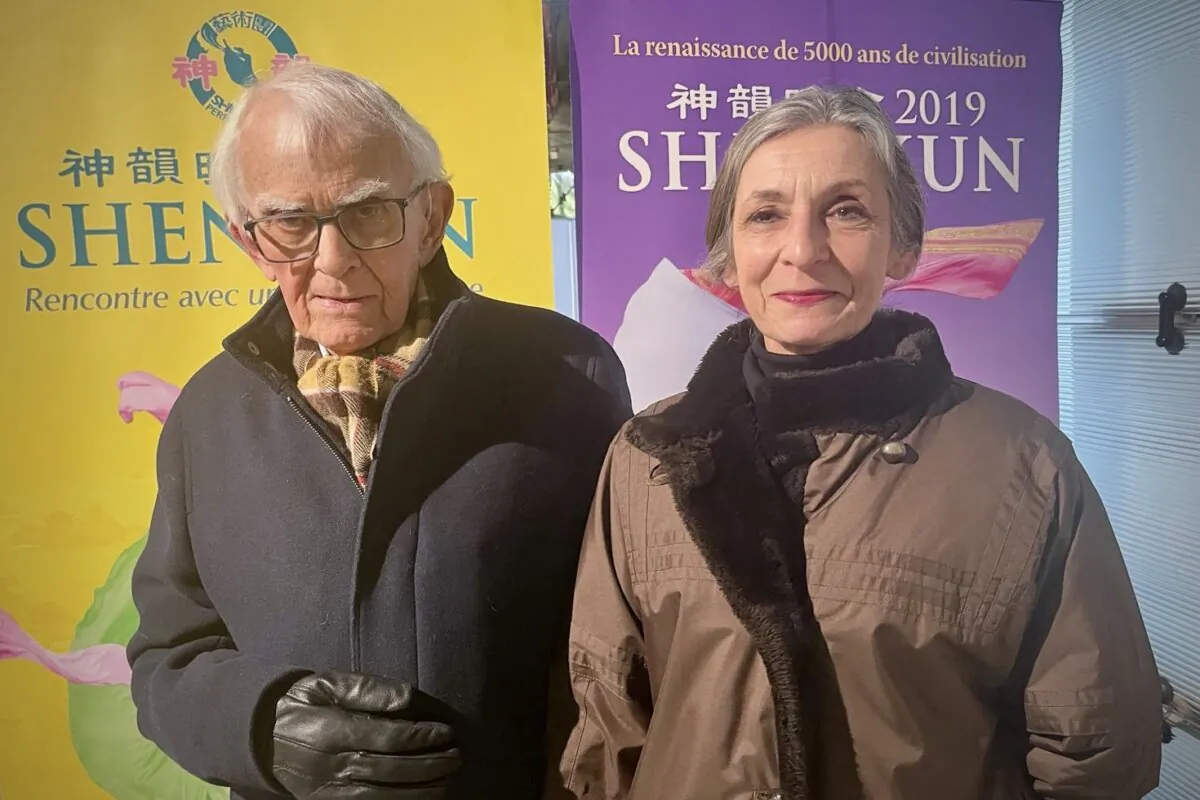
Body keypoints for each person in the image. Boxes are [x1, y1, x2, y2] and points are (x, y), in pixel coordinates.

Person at [548, 86, 1163, 799]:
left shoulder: (1021, 468)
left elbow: (1098, 754)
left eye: (846, 211)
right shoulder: (645, 458)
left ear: (902, 247)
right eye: (766, 215)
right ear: (730, 250)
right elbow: (606, 728)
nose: (802, 251)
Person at [126, 63, 631, 800]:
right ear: (250, 241)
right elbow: (168, 657)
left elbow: (624, 635)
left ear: (431, 219)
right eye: (292, 223)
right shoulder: (209, 414)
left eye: (368, 213)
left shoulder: (566, 374)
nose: (333, 262)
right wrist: (260, 727)